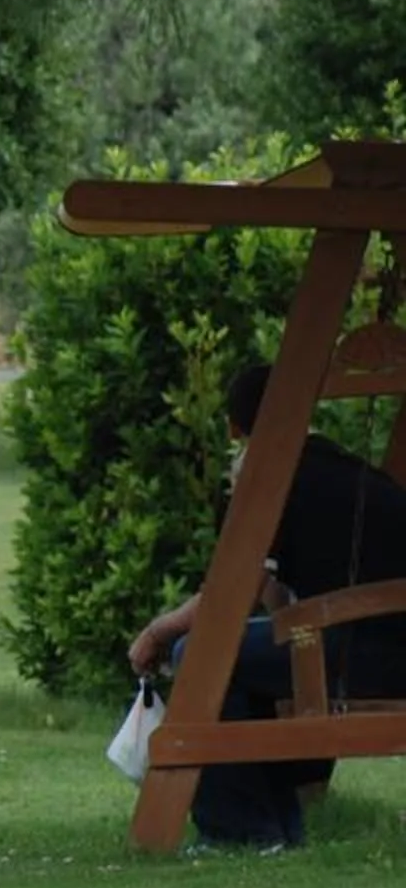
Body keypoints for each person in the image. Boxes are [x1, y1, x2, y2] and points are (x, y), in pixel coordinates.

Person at [126, 363, 406, 848]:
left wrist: (158, 632)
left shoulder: (276, 474)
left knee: (198, 654)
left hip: (373, 654)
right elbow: (271, 595)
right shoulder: (336, 466)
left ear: (235, 428)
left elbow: (230, 591)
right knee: (242, 658)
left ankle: (241, 832)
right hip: (381, 642)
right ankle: (274, 827)